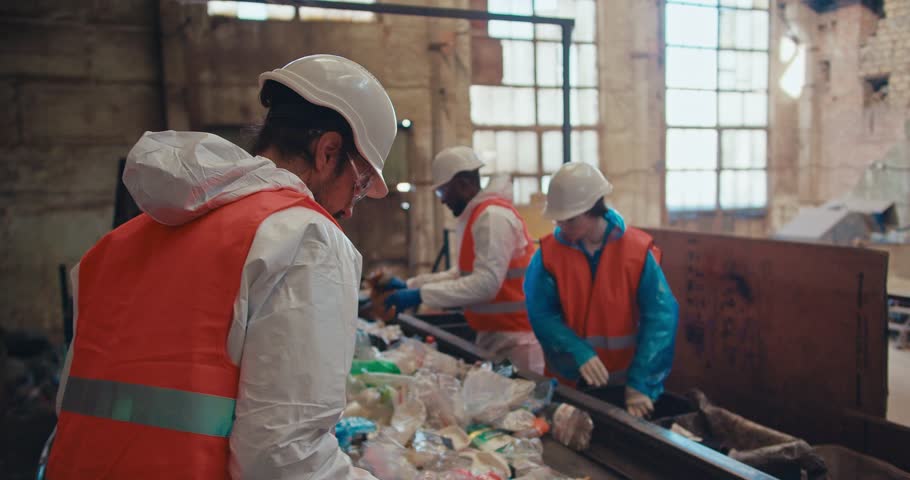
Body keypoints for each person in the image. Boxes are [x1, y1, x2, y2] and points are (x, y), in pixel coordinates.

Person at [46, 55, 395, 479]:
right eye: (358, 187)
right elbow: (283, 460)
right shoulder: (306, 237)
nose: (349, 210)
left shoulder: (115, 246)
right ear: (328, 151)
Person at [523, 162, 679, 417]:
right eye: (559, 220)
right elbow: (541, 313)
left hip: (624, 383)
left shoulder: (636, 252)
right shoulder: (549, 255)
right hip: (568, 382)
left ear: (593, 208)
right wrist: (577, 350)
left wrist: (641, 382)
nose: (563, 227)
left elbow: (661, 317)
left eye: (571, 219)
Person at [379, 146, 545, 374]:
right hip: (498, 335)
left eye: (442, 192)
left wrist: (421, 296)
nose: (442, 200)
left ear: (463, 184)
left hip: (518, 343)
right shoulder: (480, 216)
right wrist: (411, 285)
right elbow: (462, 273)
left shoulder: (492, 217)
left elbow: (486, 283)